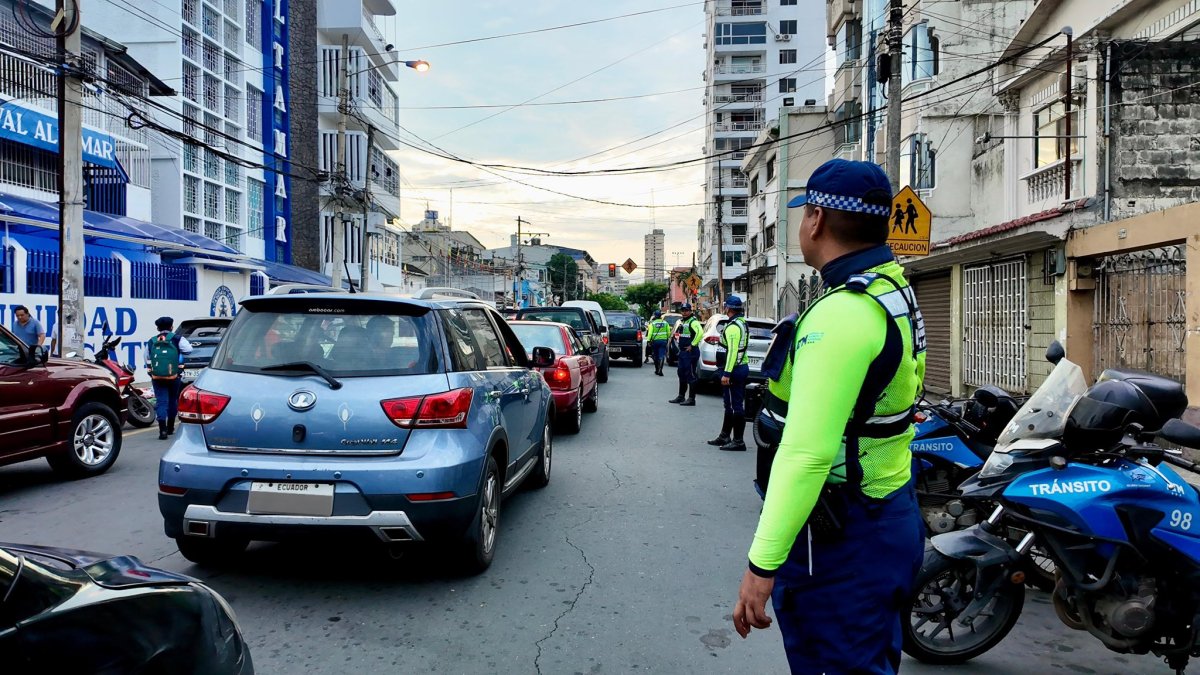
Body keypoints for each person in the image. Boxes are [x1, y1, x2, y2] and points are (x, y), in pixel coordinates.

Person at [732, 158, 927, 674]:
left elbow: (807, 453)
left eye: (803, 214)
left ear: (816, 219)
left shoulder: (843, 312)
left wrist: (762, 564)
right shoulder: (891, 289)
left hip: (846, 536)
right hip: (885, 513)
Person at [708, 296, 750, 451]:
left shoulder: (734, 327)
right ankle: (725, 435)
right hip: (735, 368)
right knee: (729, 404)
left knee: (735, 405)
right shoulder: (739, 323)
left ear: (729, 308)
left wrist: (727, 373)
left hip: (734, 370)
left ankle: (738, 441)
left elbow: (732, 351)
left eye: (725, 306)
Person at [145, 317, 193, 440]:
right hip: (174, 376)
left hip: (157, 377)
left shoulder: (152, 341)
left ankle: (162, 431)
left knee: (161, 401)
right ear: (171, 327)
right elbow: (189, 350)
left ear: (157, 328)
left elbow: (147, 358)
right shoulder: (177, 339)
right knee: (172, 400)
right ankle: (170, 427)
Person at [668, 304, 704, 406]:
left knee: (690, 375)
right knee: (681, 373)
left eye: (686, 310)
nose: (684, 312)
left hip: (690, 353)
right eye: (683, 310)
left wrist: (692, 345)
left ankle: (691, 399)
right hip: (683, 353)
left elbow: (700, 333)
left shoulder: (693, 322)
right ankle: (681, 396)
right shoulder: (683, 322)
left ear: (690, 311)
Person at [645, 310, 671, 376]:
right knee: (662, 355)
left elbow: (650, 333)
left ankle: (657, 370)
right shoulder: (665, 323)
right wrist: (667, 338)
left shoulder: (652, 324)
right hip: (663, 341)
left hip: (655, 341)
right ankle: (660, 370)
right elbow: (668, 332)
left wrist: (648, 341)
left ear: (655, 316)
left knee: (655, 356)